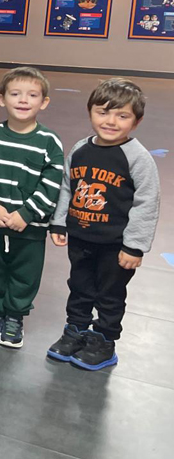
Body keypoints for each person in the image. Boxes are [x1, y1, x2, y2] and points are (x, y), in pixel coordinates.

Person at [47, 79, 160, 370]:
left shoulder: (137, 158)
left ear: (136, 121)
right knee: (79, 287)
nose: (110, 121)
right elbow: (67, 187)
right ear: (90, 112)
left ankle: (104, 341)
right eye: (103, 112)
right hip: (81, 237)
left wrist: (135, 246)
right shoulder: (80, 149)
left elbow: (147, 203)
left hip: (115, 246)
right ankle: (76, 330)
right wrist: (59, 223)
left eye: (122, 115)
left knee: (110, 295)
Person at [0, 66, 64, 349]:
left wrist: (26, 213)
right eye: (15, 94)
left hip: (30, 228)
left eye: (32, 95)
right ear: (1, 98)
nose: (23, 100)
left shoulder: (49, 143)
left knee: (25, 274)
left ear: (44, 102)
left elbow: (52, 184)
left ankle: (15, 317)